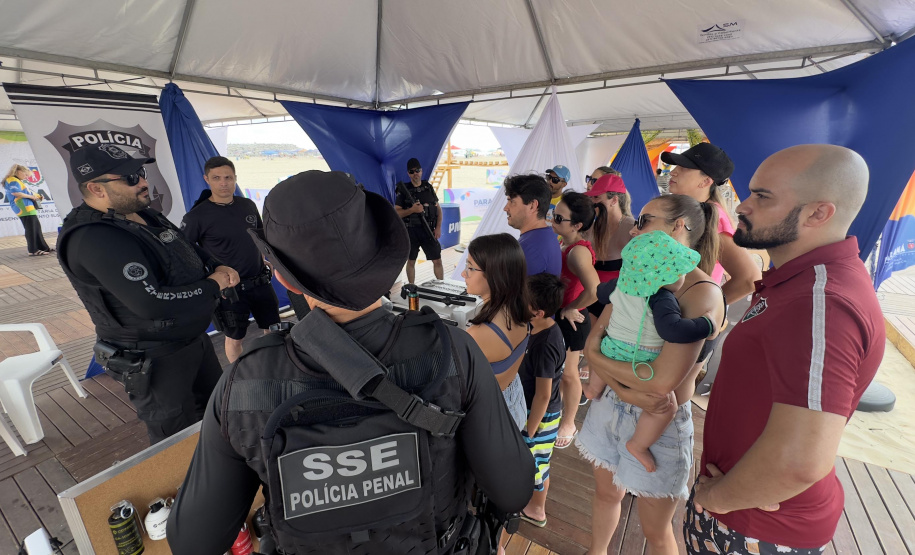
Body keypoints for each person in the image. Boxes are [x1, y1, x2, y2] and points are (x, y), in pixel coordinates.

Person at [167, 171, 534, 555]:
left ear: (284, 279)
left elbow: (193, 541)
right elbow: (513, 490)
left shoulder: (242, 386)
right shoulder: (454, 352)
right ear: (384, 252)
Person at [687, 145, 883, 554]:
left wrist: (713, 500)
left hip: (755, 526)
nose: (742, 205)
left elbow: (800, 462)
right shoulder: (802, 283)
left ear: (818, 213)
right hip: (747, 509)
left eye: (763, 196)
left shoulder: (821, 302)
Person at [57, 144, 237, 444]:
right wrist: (214, 284)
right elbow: (150, 302)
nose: (143, 182)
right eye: (129, 178)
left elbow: (187, 249)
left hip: (193, 341)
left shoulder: (145, 214)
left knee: (218, 417)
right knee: (177, 440)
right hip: (155, 357)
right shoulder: (92, 237)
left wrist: (217, 265)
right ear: (95, 188)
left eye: (140, 172)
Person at [577, 194, 726, 555]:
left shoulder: (700, 292)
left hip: (656, 422)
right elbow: (600, 341)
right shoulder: (639, 272)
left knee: (655, 531)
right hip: (616, 404)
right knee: (605, 494)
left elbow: (660, 384)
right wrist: (619, 384)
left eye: (644, 221)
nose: (633, 229)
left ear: (679, 227)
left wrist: (596, 357)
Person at [587, 230, 716, 473]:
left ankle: (593, 388)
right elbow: (673, 330)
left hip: (609, 347)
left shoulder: (621, 284)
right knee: (666, 408)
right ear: (661, 276)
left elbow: (601, 293)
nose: (682, 278)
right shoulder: (661, 297)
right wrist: (707, 324)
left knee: (605, 355)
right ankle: (638, 444)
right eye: (678, 272)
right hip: (640, 357)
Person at [181, 156, 281, 363]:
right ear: (207, 179)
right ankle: (238, 378)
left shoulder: (247, 205)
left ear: (235, 178)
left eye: (228, 177)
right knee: (235, 338)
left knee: (273, 331)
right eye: (217, 178)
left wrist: (263, 259)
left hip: (260, 282)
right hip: (230, 291)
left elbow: (258, 236)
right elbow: (185, 253)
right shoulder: (196, 217)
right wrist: (211, 277)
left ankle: (272, 368)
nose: (223, 183)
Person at [661, 143, 761, 303]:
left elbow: (749, 279)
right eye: (676, 167)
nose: (673, 172)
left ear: (706, 181)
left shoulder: (713, 217)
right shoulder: (689, 211)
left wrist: (703, 310)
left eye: (684, 168)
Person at [551, 192, 606, 448]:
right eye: (554, 214)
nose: (554, 220)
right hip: (563, 315)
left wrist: (570, 308)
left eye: (559, 218)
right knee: (560, 373)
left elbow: (594, 289)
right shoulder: (564, 242)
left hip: (570, 320)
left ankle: (569, 422)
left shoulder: (576, 252)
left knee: (569, 375)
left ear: (577, 226)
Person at [463, 233, 533, 431]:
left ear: (494, 274)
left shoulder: (479, 334)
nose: (463, 274)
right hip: (515, 399)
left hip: (492, 416)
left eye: (470, 268)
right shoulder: (520, 309)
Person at [517, 273, 566, 528]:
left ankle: (537, 509)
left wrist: (531, 429)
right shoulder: (538, 327)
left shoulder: (546, 344)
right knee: (535, 458)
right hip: (531, 407)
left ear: (538, 311)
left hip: (541, 414)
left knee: (538, 461)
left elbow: (544, 394)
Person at [583, 174, 635, 323]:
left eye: (597, 198)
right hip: (588, 297)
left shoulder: (632, 228)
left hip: (616, 303)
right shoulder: (591, 227)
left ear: (614, 200)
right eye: (592, 198)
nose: (592, 203)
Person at [395, 158, 443, 283]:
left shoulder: (428, 187)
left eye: (417, 170)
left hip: (429, 230)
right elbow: (396, 212)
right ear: (408, 174)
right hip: (411, 231)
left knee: (437, 260)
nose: (415, 173)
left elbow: (438, 210)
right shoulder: (403, 191)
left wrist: (438, 227)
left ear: (421, 171)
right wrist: (412, 210)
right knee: (411, 262)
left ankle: (442, 286)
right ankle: (412, 288)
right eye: (412, 171)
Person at [503, 173, 561, 276]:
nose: (506, 208)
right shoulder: (546, 236)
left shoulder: (530, 248)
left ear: (532, 206)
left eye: (512, 201)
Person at [3, 164, 53, 256]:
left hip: (27, 208)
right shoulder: (13, 180)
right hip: (23, 208)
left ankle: (43, 247)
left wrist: (36, 197)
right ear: (19, 172)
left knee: (36, 228)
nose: (26, 177)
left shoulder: (17, 180)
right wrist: (32, 197)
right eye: (26, 175)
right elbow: (16, 193)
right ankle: (33, 250)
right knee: (31, 229)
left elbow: (24, 192)